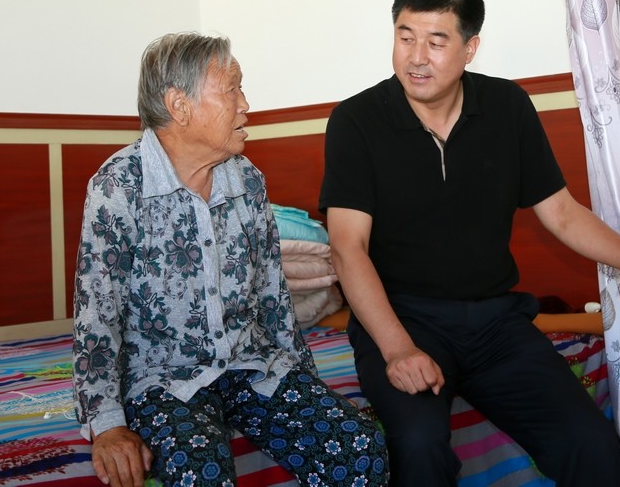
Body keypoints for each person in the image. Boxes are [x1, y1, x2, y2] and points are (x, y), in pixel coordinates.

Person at [318, 0, 620, 487]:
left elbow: (561, 213)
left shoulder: (507, 106)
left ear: (470, 48)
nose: (416, 57)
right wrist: (397, 349)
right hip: (405, 318)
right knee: (417, 447)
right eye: (405, 38)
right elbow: (348, 247)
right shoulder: (357, 121)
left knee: (589, 440)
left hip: (496, 325)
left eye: (436, 41)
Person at [72, 32, 388, 487]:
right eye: (232, 90)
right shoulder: (118, 186)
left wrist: (305, 384)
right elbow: (97, 313)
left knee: (361, 449)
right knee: (201, 470)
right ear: (179, 106)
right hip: (162, 379)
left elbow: (273, 296)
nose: (246, 104)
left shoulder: (247, 180)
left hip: (250, 365)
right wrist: (107, 425)